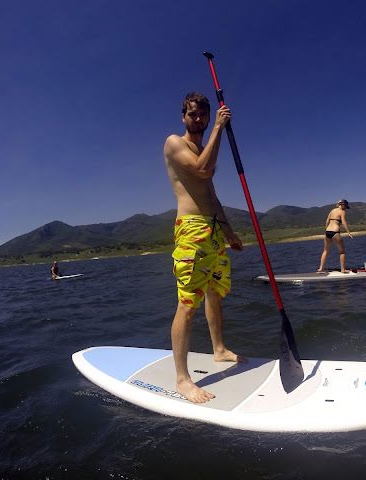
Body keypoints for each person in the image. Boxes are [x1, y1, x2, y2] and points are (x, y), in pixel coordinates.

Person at [163, 92, 245, 404]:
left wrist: (228, 231)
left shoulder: (203, 149)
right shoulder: (175, 143)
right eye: (193, 114)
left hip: (212, 230)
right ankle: (182, 380)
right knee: (187, 303)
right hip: (191, 230)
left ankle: (219, 349)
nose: (198, 119)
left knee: (215, 292)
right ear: (183, 116)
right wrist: (219, 128)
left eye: (203, 115)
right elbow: (201, 171)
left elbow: (211, 194)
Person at [317, 199, 353, 273]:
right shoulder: (342, 212)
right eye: (345, 206)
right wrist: (348, 233)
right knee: (342, 252)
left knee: (326, 250)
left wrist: (327, 230)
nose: (345, 208)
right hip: (335, 232)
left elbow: (327, 221)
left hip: (327, 232)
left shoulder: (332, 211)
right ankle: (343, 269)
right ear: (342, 205)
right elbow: (344, 222)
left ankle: (320, 268)